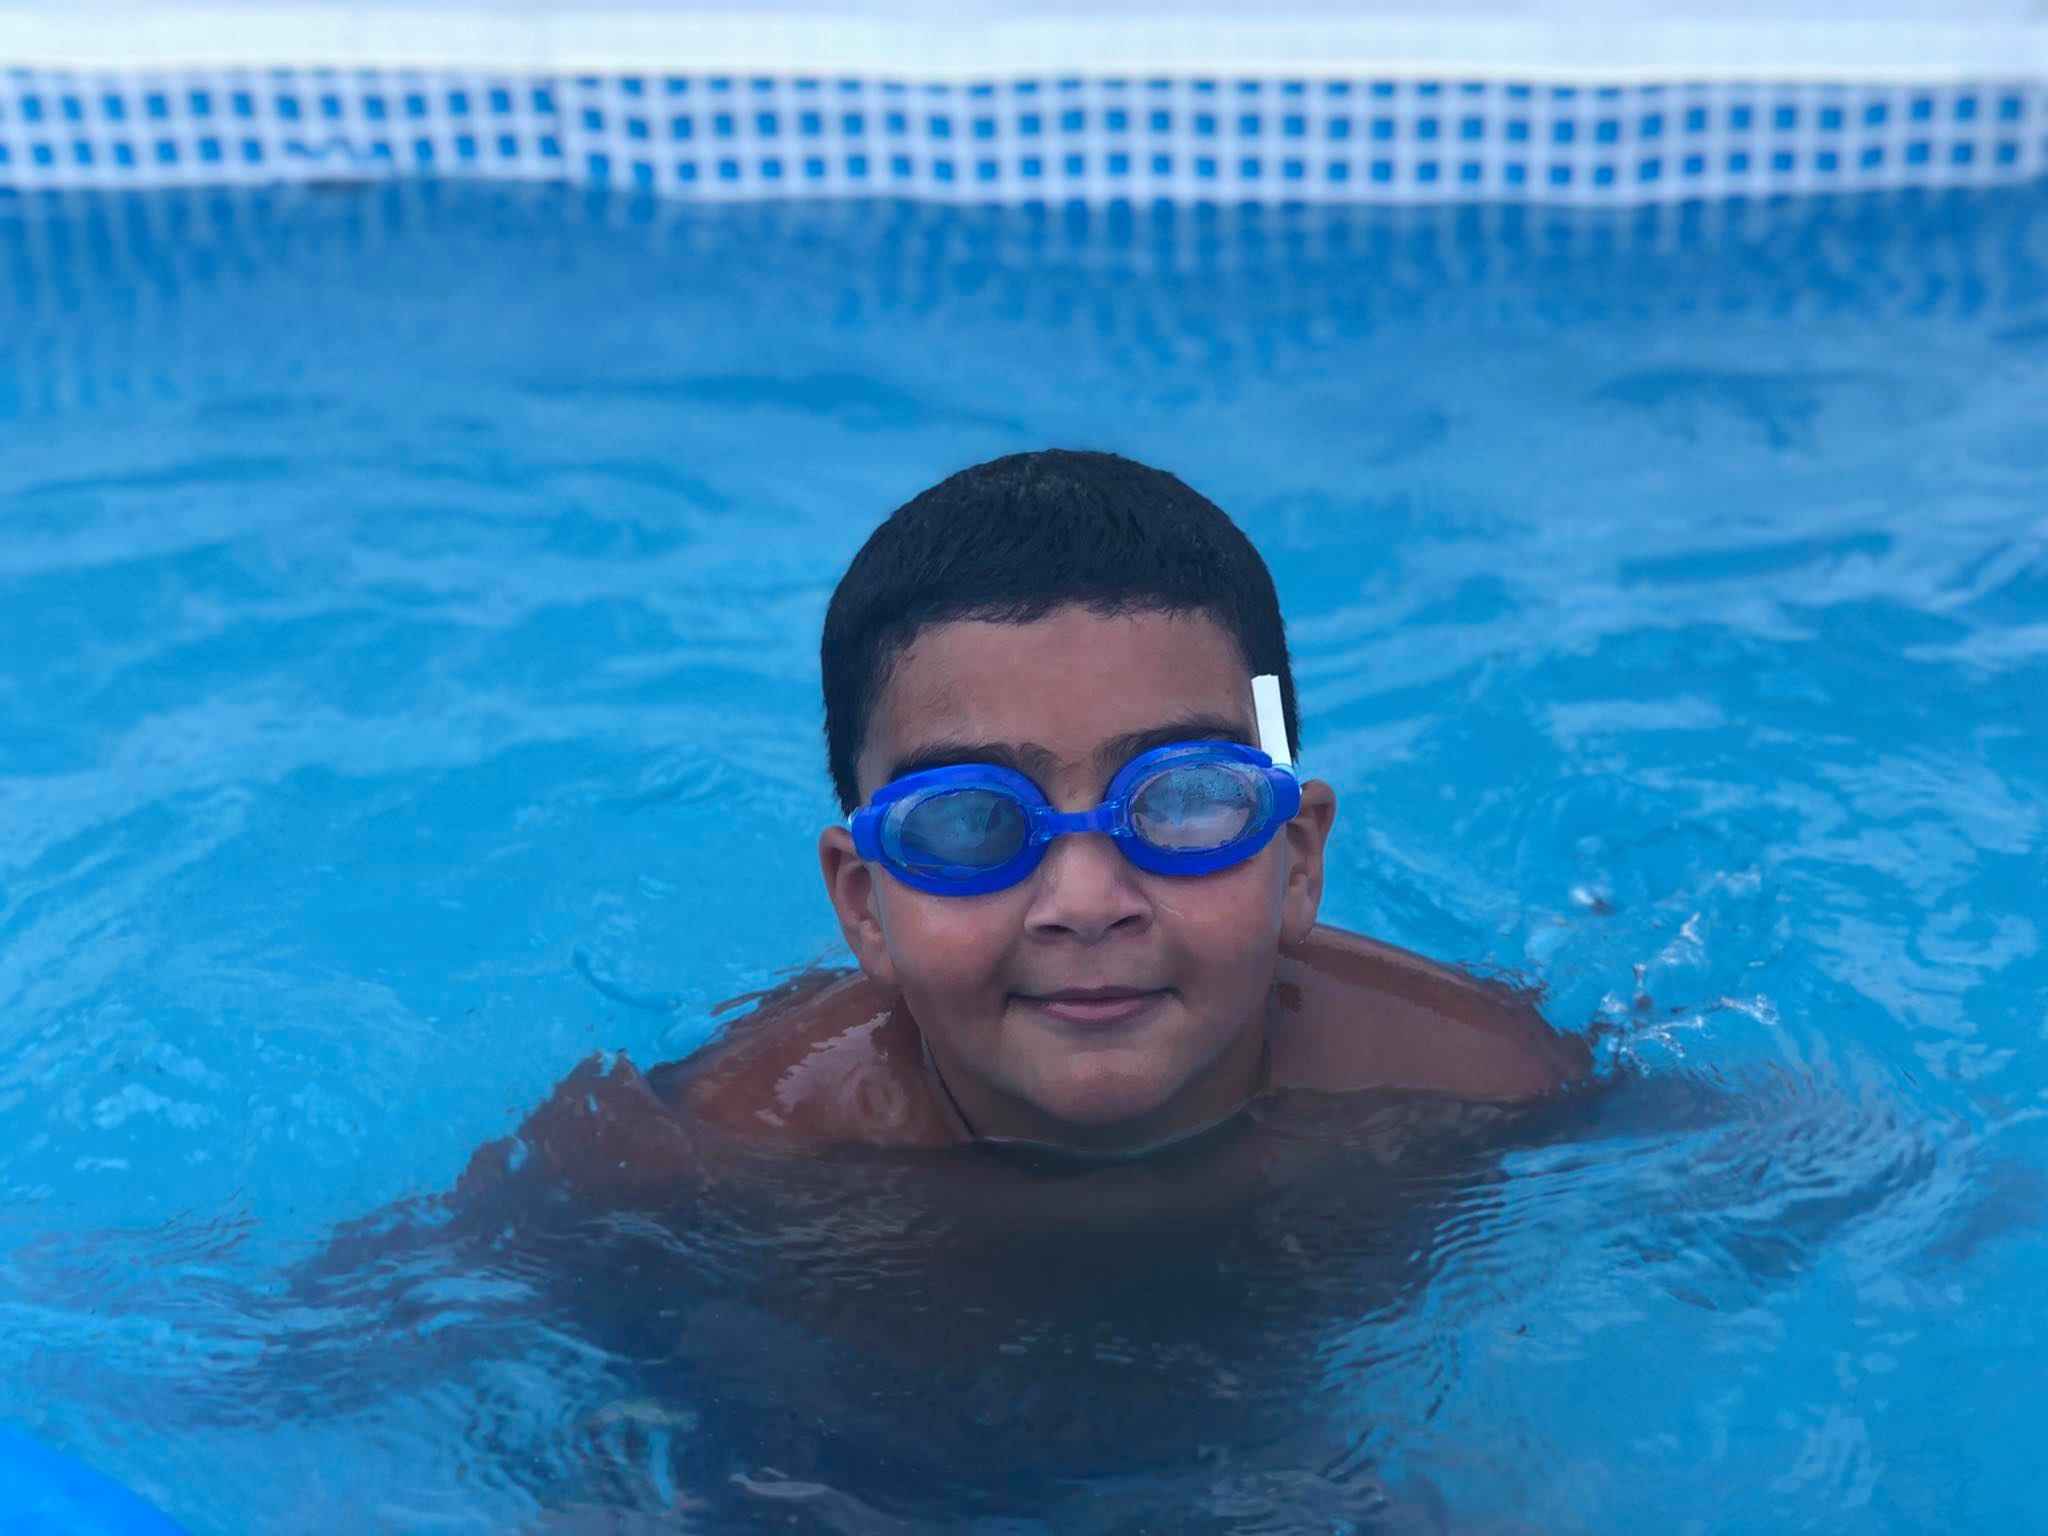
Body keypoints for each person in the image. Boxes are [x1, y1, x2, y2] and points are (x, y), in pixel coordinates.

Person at [462, 449, 1588, 1209]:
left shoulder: (1489, 1084)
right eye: (967, 822)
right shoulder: (707, 1154)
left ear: (1295, 859)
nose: (1087, 902)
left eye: (1181, 800)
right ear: (864, 904)